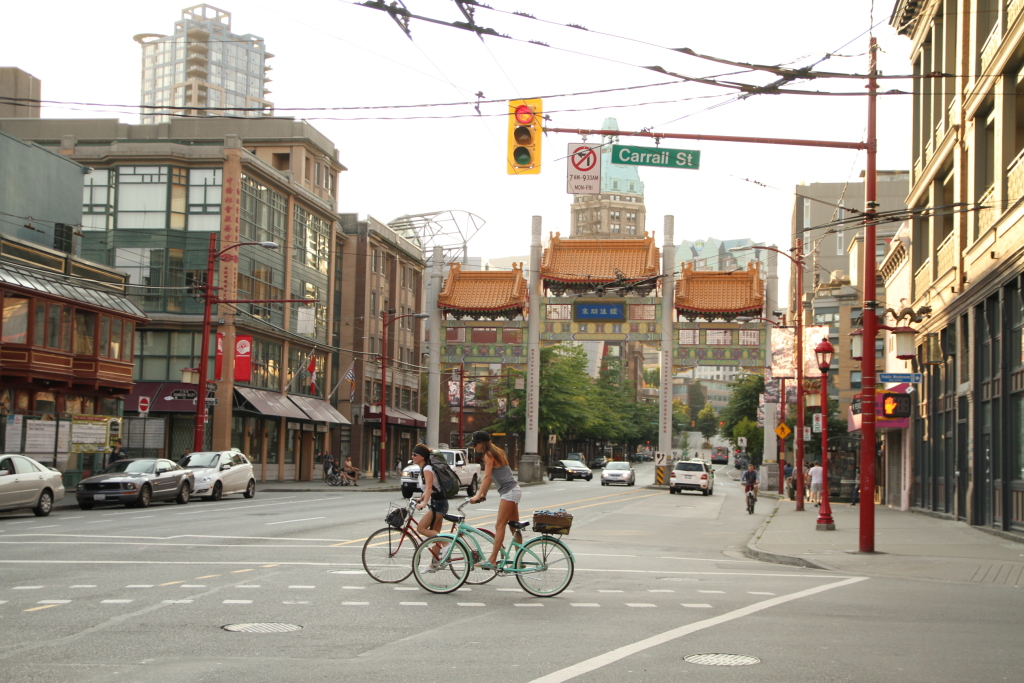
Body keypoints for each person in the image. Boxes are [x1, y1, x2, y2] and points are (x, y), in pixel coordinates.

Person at [468, 431, 522, 570]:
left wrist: (477, 495)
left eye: (475, 444)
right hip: (513, 490)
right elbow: (491, 477)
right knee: (513, 527)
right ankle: (519, 559)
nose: (475, 448)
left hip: (509, 492)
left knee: (499, 526)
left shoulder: (488, 454)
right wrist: (483, 494)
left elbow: (487, 477)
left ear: (481, 443)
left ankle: (492, 560)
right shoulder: (496, 452)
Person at [412, 444, 445, 539]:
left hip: (438, 504)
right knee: (435, 538)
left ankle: (447, 543)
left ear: (422, 457)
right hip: (438, 503)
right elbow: (431, 488)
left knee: (421, 528)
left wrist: (424, 503)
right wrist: (420, 498)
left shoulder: (427, 469)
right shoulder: (424, 468)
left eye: (415, 454)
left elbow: (429, 488)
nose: (412, 457)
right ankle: (444, 551)